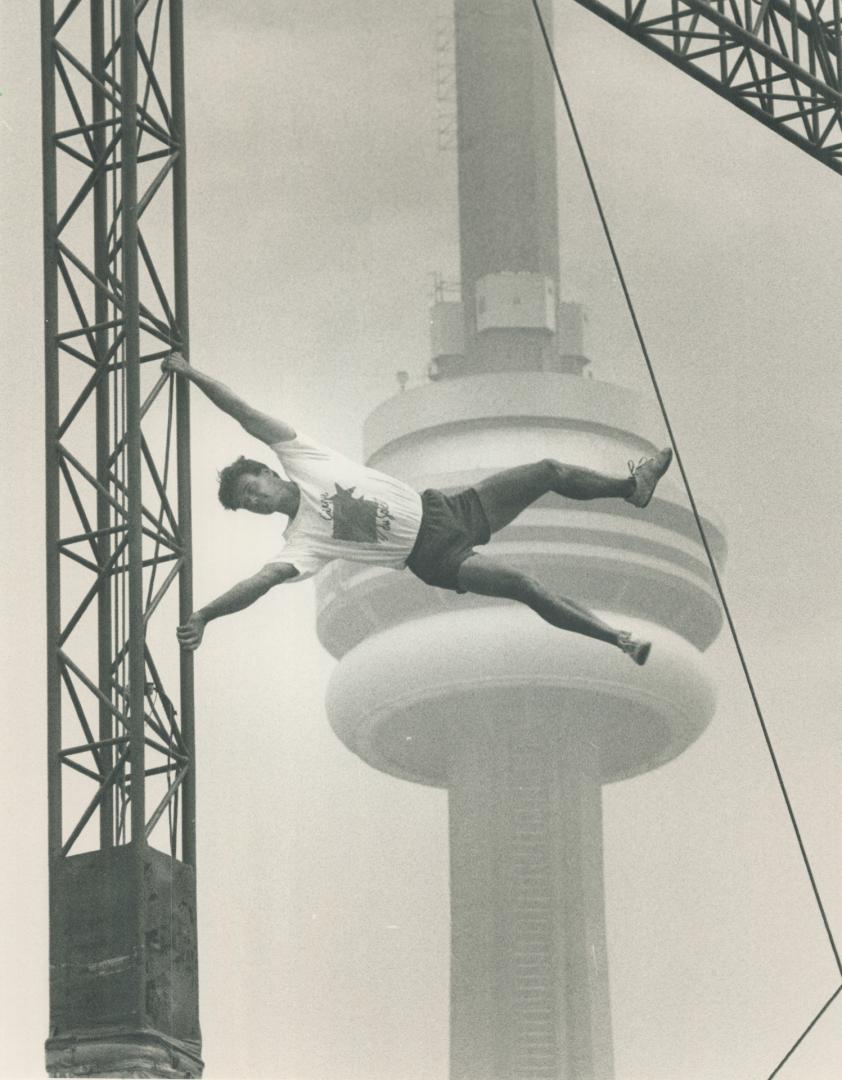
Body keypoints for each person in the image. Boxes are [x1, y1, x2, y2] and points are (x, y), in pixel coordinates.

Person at [163, 353, 673, 665]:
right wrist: (207, 614)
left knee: (548, 471)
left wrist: (191, 374)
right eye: (249, 503)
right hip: (432, 555)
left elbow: (245, 414)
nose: (255, 499)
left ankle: (631, 488)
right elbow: (262, 581)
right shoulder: (301, 541)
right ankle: (619, 640)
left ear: (271, 473)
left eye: (254, 487)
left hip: (448, 509)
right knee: (524, 586)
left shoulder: (302, 458)